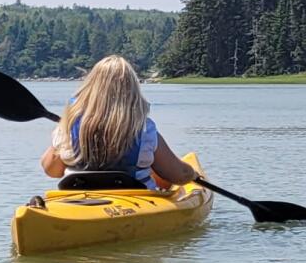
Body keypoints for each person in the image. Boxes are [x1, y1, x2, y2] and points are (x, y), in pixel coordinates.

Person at [42, 55, 202, 192]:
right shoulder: (144, 129)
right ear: (131, 93)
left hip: (78, 198)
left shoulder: (68, 127)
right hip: (134, 198)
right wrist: (192, 175)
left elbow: (52, 171)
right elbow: (177, 175)